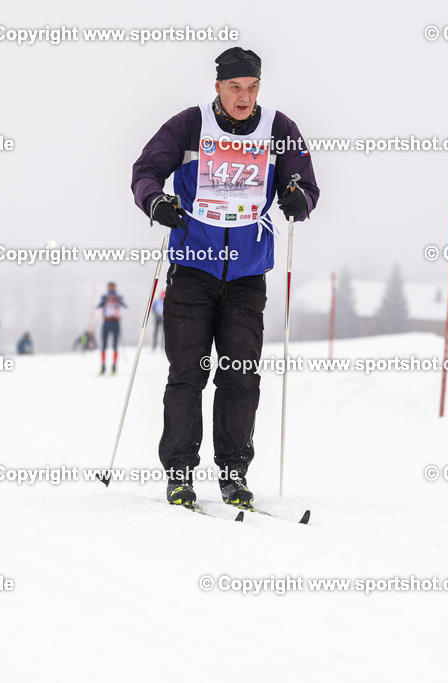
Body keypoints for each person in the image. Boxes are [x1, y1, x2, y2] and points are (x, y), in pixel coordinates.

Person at [131, 47, 319, 508]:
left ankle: (233, 474)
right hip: (192, 268)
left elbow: (305, 184)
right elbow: (146, 171)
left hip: (248, 275)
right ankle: (180, 473)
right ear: (217, 87)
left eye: (252, 87)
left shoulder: (279, 129)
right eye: (235, 87)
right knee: (187, 373)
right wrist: (156, 201)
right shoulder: (189, 125)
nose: (244, 97)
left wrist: (300, 199)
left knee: (240, 376)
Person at [97, 282, 127, 374]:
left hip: (115, 322)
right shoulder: (104, 297)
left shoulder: (118, 297)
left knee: (115, 345)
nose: (111, 290)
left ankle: (114, 366)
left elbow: (126, 305)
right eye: (110, 288)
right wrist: (104, 300)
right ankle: (103, 366)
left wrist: (118, 299)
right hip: (106, 321)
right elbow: (98, 305)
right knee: (104, 345)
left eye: (112, 288)